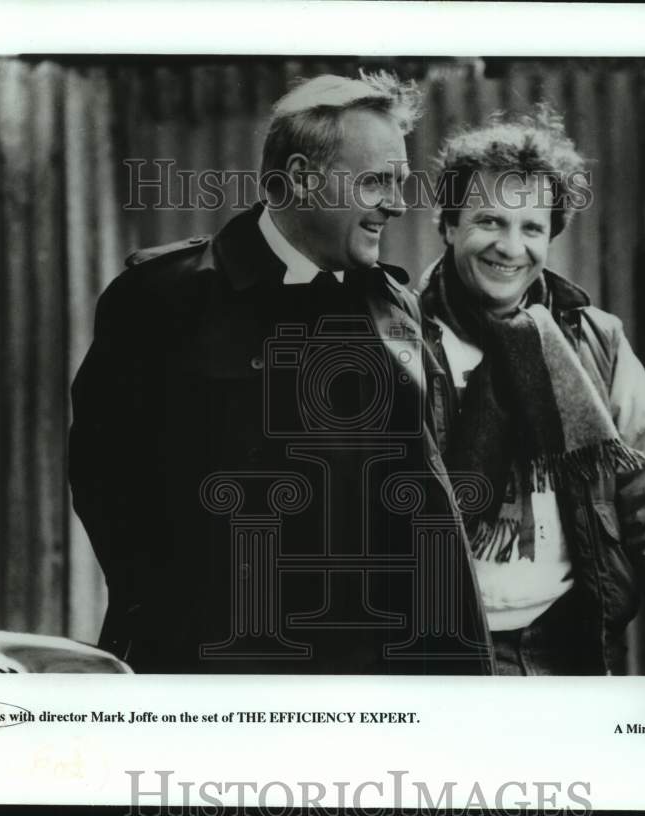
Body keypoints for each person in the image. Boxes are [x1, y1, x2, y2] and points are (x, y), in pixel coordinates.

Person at [69, 71, 495, 674]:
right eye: (376, 182)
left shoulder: (395, 307)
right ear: (299, 179)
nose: (397, 205)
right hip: (216, 671)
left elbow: (423, 500)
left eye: (400, 183)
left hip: (370, 679)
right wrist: (179, 619)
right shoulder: (164, 299)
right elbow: (105, 480)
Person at [418, 108, 645, 675]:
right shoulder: (403, 337)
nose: (511, 247)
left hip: (569, 646)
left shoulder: (593, 339)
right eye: (489, 221)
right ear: (449, 224)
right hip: (444, 653)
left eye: (531, 228)